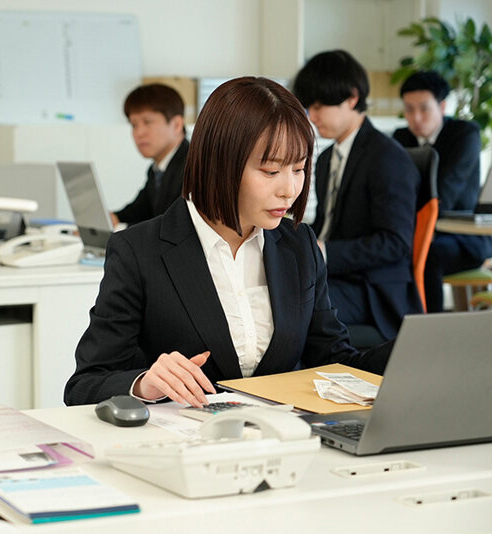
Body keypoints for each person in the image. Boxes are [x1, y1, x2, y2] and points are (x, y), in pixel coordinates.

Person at [64, 77, 391, 407]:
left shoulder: (298, 245)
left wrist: (405, 353)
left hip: (279, 434)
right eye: (270, 171)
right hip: (183, 436)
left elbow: (333, 362)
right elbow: (84, 385)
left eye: (298, 169)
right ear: (220, 163)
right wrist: (144, 383)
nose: (289, 190)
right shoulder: (139, 251)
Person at [292, 50, 422, 341]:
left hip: (373, 291)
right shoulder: (326, 159)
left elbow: (395, 243)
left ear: (351, 98)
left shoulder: (387, 157)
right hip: (337, 278)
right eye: (309, 107)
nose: (312, 117)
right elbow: (327, 226)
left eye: (319, 106)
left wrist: (325, 252)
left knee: (293, 302)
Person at [392, 71, 492, 312]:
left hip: (465, 236)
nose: (416, 117)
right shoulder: (401, 138)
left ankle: (429, 324)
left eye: (424, 109)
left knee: (428, 254)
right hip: (416, 231)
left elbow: (444, 195)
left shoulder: (464, 134)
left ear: (443, 106)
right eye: (409, 109)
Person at [111, 83, 189, 226]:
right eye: (134, 125)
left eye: (147, 122)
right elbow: (139, 210)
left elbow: (173, 226)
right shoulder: (156, 170)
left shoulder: (194, 168)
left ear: (177, 125)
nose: (139, 133)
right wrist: (113, 218)